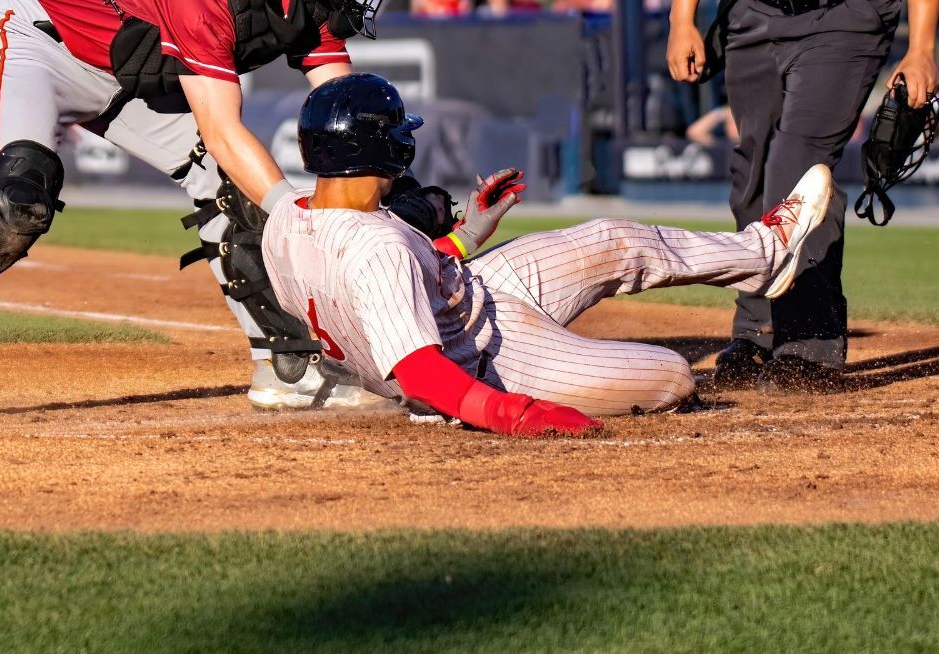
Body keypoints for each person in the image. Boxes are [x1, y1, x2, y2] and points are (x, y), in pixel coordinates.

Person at [0, 0, 383, 425]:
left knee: (235, 189)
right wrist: (296, 216)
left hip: (135, 74)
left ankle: (288, 367)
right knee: (13, 201)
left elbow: (345, 121)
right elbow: (221, 131)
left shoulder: (312, 11)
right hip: (42, 40)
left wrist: (382, 203)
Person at [261, 73, 833, 435]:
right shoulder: (375, 244)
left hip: (471, 288)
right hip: (478, 361)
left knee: (618, 238)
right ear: (377, 145)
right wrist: (516, 414)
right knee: (672, 377)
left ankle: (764, 254)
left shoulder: (287, 221)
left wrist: (468, 237)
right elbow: (418, 370)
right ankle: (507, 395)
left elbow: (388, 281)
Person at [666, 0, 939, 390]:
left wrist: (922, 49)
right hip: (752, 17)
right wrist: (681, 19)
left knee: (798, 172)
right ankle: (758, 328)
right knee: (752, 179)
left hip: (844, 17)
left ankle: (809, 343)